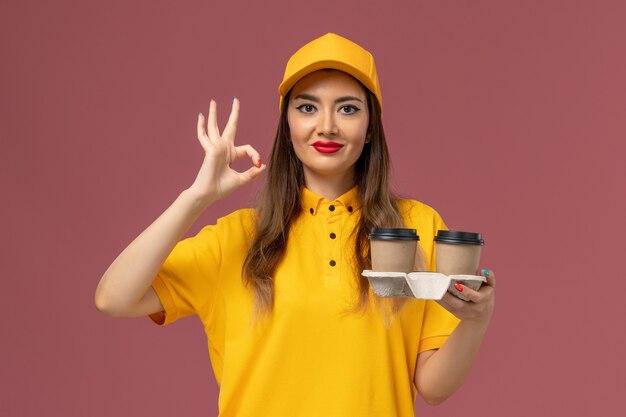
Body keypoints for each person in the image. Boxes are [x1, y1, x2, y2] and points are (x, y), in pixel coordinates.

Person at [95, 33, 496, 416]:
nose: (327, 125)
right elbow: (114, 297)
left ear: (371, 126)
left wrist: (476, 321)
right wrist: (195, 198)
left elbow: (434, 387)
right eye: (307, 107)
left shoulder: (416, 227)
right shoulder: (235, 238)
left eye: (348, 108)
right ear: (286, 125)